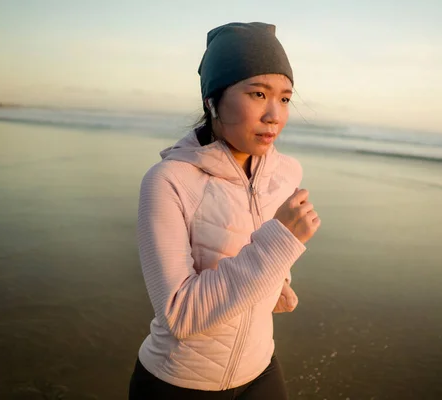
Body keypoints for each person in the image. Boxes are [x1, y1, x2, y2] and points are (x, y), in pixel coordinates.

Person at [128, 22, 321, 399]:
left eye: (284, 98)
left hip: (261, 369)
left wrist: (277, 282)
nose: (274, 115)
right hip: (178, 382)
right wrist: (279, 243)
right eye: (258, 94)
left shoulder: (287, 173)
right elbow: (180, 314)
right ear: (212, 101)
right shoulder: (168, 181)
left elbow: (253, 256)